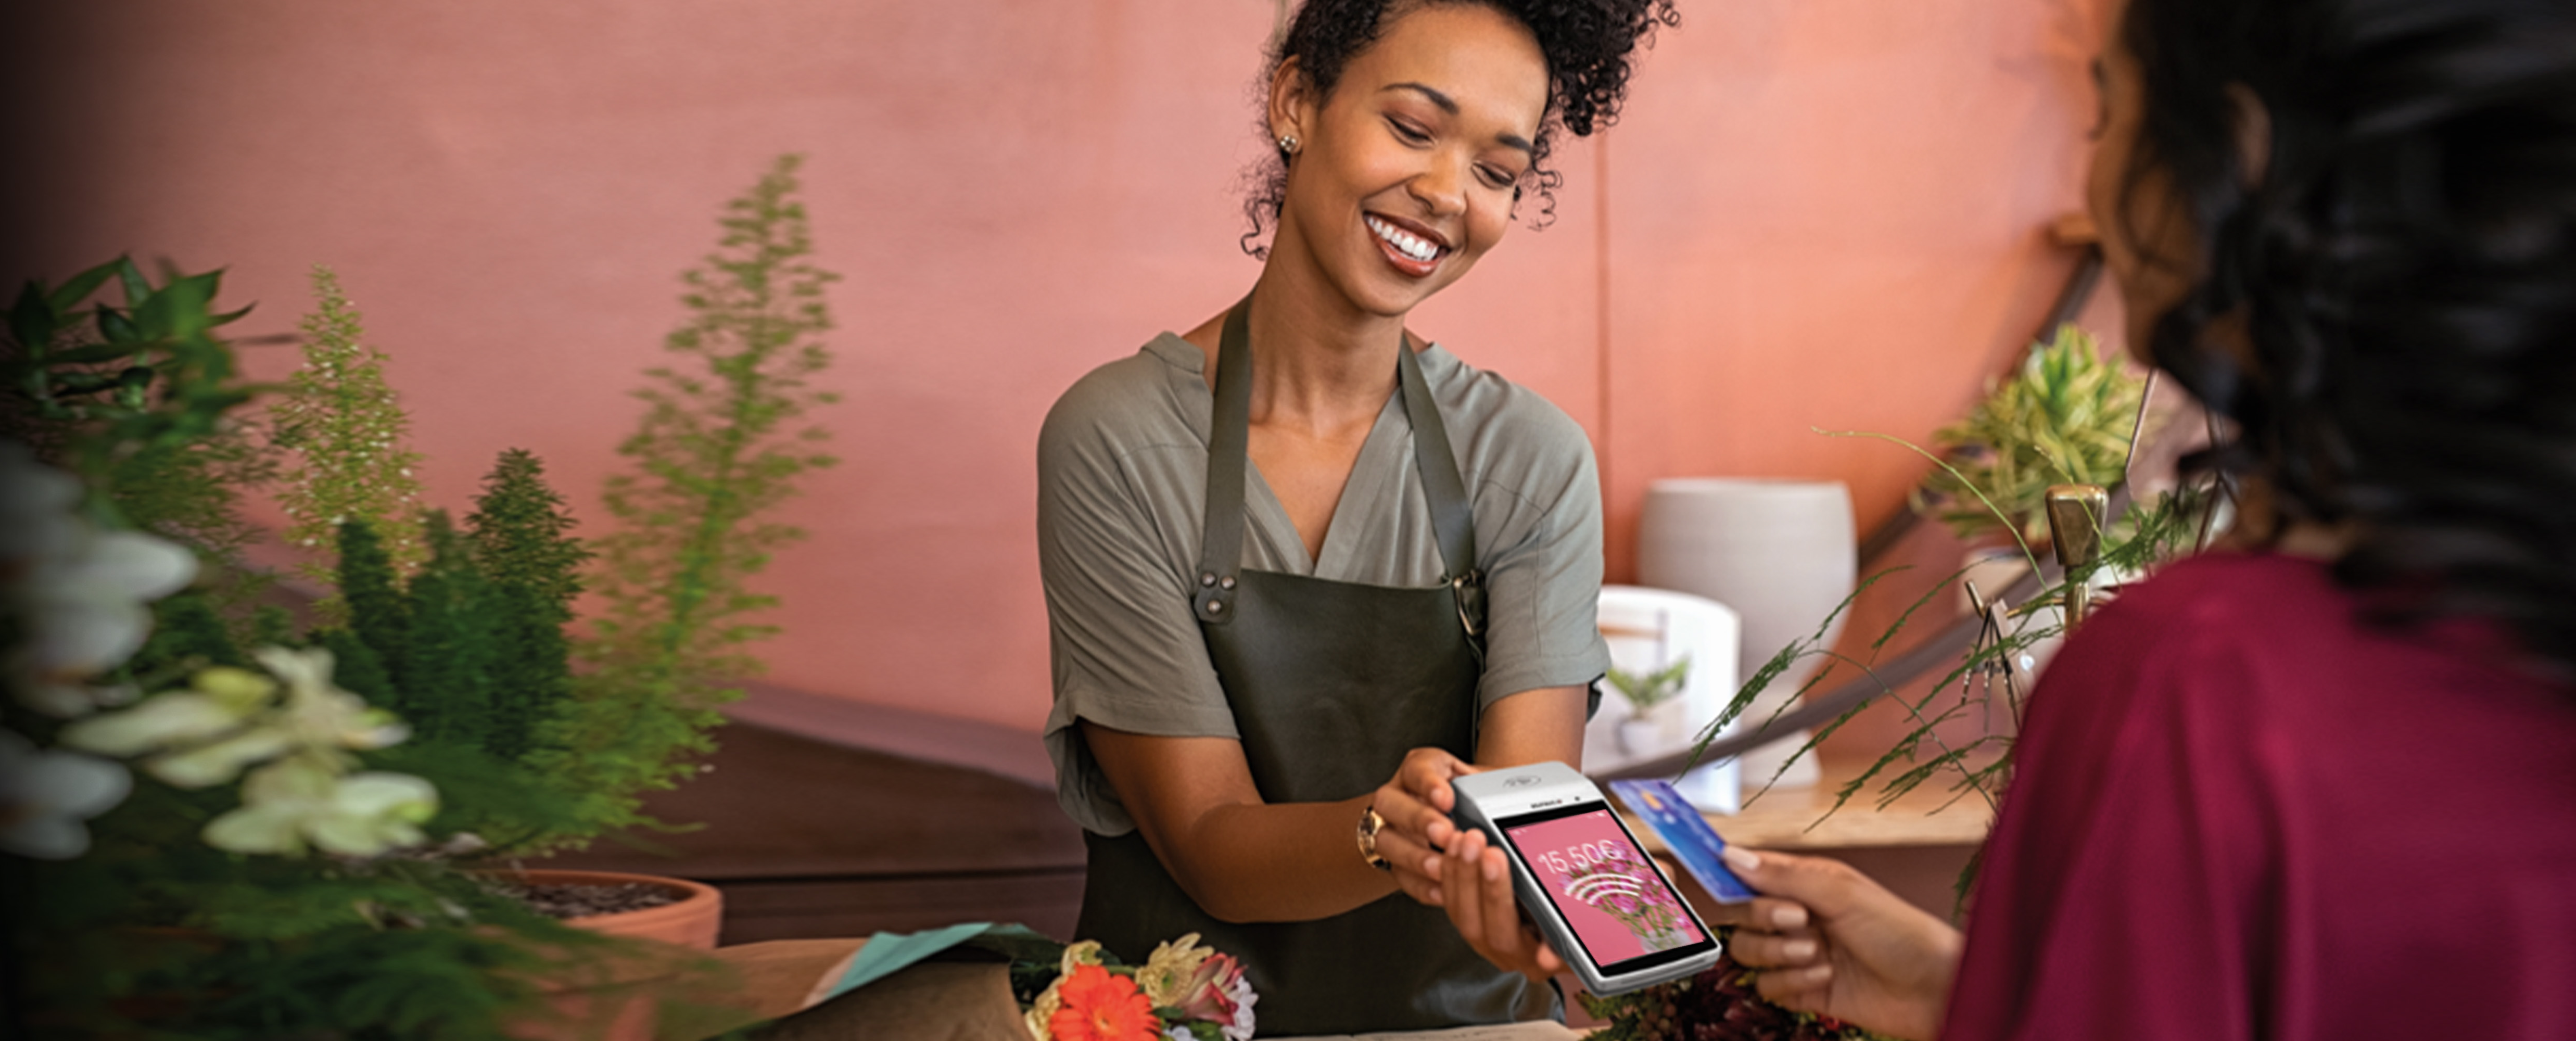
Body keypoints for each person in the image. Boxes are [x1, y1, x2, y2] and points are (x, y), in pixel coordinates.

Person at [1719, 0, 2576, 1037]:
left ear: (2234, 157)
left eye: (2104, 116)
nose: (2092, 174)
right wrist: (1972, 996)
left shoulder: (2192, 680)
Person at [1035, 0, 1674, 1033]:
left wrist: (1533, 911)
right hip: (1178, 1026)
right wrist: (1388, 827)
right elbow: (1208, 842)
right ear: (1297, 101)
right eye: (1413, 128)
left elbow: (1526, 819)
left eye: (1496, 171)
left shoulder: (1530, 460)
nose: (1443, 193)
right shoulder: (1118, 437)